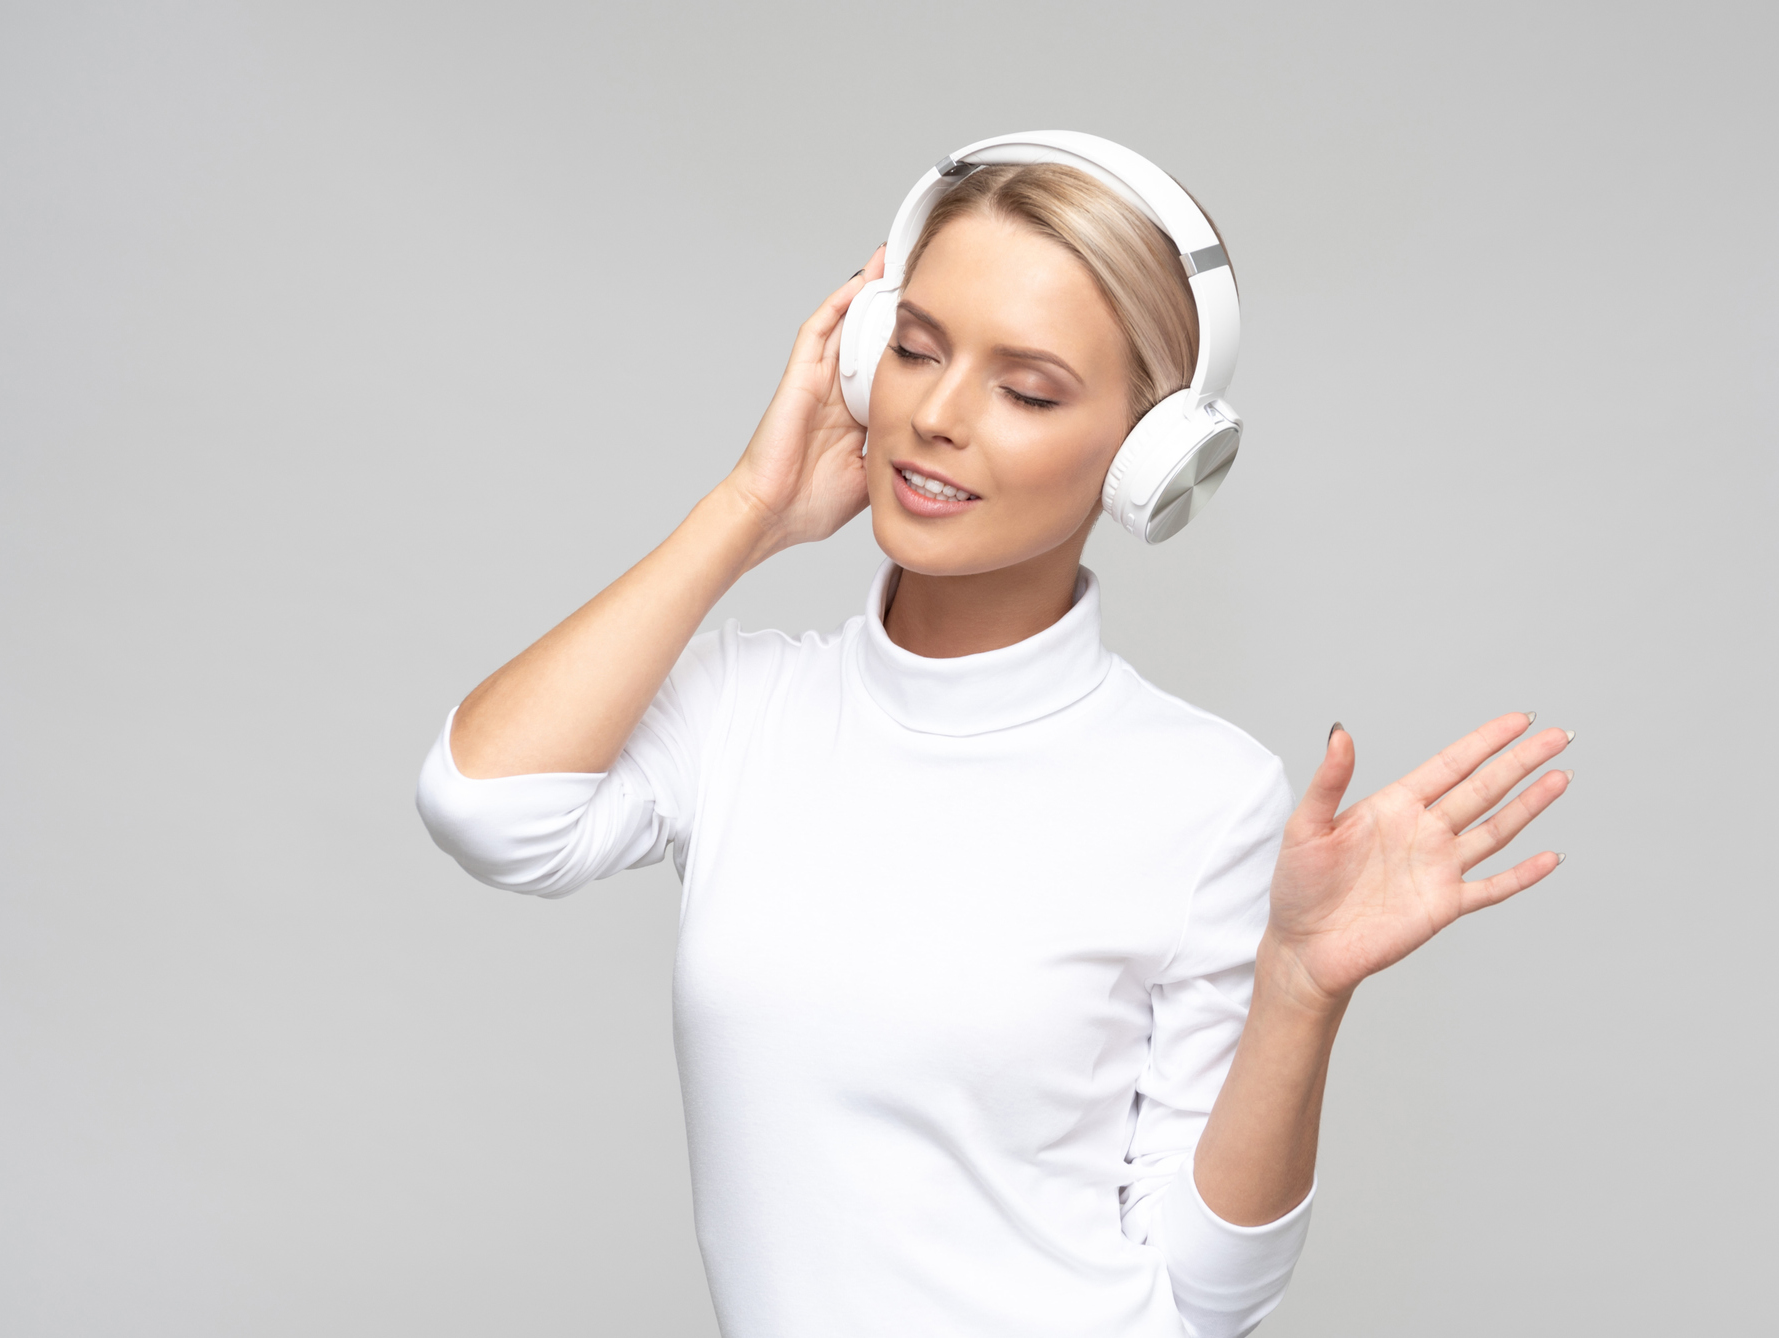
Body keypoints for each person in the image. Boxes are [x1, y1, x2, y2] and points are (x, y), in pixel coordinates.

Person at [415, 135, 1572, 1338]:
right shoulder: (741, 707)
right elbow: (484, 810)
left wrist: (1298, 989)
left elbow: (1210, 1296)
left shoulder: (1209, 797)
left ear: (1144, 456)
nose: (936, 416)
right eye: (912, 350)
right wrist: (747, 510)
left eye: (1026, 391)